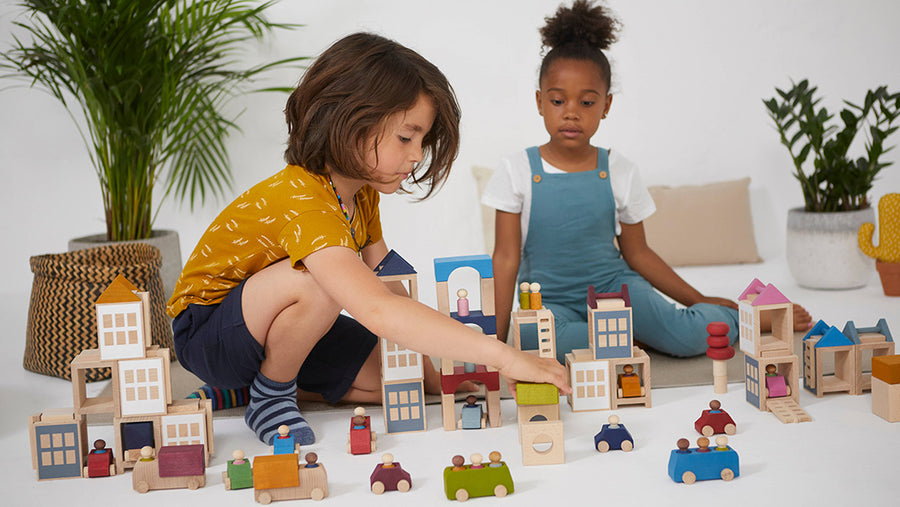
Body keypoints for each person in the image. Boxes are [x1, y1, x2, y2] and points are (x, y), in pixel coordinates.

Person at [167, 32, 569, 447]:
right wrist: (504, 355)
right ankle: (270, 392)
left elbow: (390, 283)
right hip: (210, 332)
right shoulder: (305, 199)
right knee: (318, 281)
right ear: (350, 121)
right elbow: (375, 307)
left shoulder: (361, 195)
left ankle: (247, 389)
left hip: (282, 325)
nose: (416, 156)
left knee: (401, 383)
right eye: (405, 138)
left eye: (422, 141)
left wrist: (433, 371)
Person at [484, 1, 811, 363]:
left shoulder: (618, 169)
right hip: (550, 303)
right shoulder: (516, 170)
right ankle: (630, 338)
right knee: (541, 348)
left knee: (688, 338)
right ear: (539, 102)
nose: (572, 112)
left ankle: (748, 316)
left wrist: (697, 300)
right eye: (558, 100)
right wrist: (494, 343)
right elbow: (505, 258)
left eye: (587, 102)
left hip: (615, 291)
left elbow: (638, 253)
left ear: (606, 105)